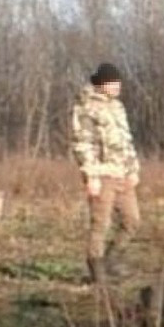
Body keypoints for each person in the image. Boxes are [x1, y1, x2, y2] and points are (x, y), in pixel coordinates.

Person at [70, 62, 141, 284]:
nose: (117, 86)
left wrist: (133, 168)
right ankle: (97, 272)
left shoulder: (117, 108)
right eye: (112, 82)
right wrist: (91, 176)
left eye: (118, 82)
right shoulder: (86, 107)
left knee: (132, 221)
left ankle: (111, 261)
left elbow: (125, 141)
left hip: (122, 173)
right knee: (101, 224)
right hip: (101, 175)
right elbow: (83, 143)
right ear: (101, 84)